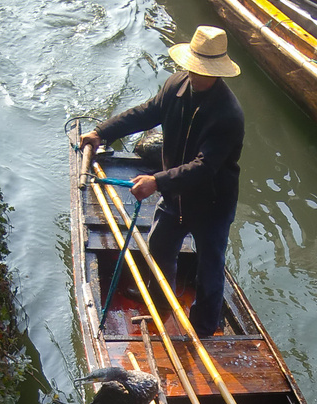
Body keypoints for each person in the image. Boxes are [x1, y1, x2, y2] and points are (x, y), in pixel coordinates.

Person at [79, 26, 244, 338]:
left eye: (203, 71)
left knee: (210, 266)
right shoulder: (177, 85)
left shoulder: (228, 115)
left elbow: (204, 167)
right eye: (193, 68)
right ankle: (159, 302)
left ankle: (206, 327)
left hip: (212, 203)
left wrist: (156, 181)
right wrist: (104, 131)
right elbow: (147, 113)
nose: (195, 75)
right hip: (174, 195)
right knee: (159, 246)